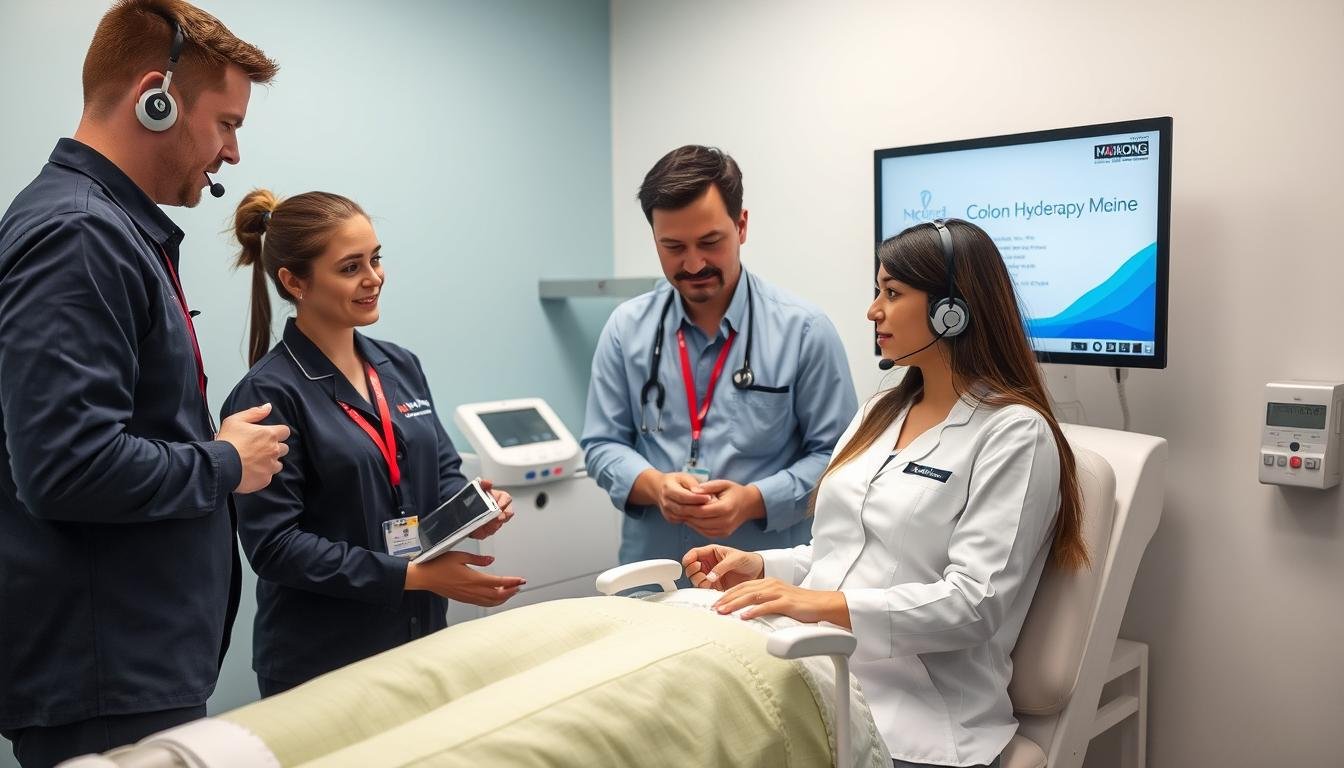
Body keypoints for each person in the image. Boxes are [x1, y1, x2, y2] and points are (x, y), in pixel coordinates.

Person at [682, 218, 1089, 768]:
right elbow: (840, 555)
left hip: (920, 724)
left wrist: (822, 605)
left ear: (953, 310)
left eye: (892, 293)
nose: (874, 310)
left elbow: (975, 603)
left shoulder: (1014, 433)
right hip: (821, 683)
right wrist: (759, 568)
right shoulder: (880, 411)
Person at [0, 2, 282, 765]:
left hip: (130, 668)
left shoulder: (110, 229)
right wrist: (226, 462)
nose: (230, 153)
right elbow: (68, 467)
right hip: (107, 678)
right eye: (224, 124)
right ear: (155, 98)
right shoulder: (81, 235)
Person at [222, 189, 525, 697]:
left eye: (376, 259)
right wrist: (415, 576)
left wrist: (477, 507)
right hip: (323, 661)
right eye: (350, 267)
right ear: (295, 282)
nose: (373, 278)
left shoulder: (400, 365)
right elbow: (275, 547)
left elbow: (443, 469)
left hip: (421, 639)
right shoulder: (268, 394)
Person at [581, 145, 857, 566]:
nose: (693, 264)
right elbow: (602, 443)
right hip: (654, 577)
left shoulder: (804, 331)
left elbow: (839, 459)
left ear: (741, 225)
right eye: (673, 247)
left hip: (762, 581)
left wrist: (753, 501)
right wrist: (654, 486)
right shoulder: (625, 329)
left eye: (710, 242)